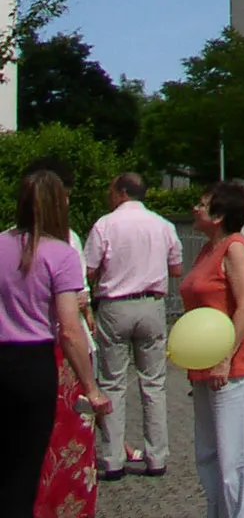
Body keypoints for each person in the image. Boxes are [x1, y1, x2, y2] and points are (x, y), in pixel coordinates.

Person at [21, 168, 110, 518]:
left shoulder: (1, 243)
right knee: (63, 446)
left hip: (8, 355)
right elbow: (69, 325)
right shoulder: (64, 248)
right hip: (53, 360)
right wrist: (92, 387)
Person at [85, 171, 183, 480]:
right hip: (152, 304)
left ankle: (113, 460)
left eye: (112, 190)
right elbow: (177, 269)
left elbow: (88, 270)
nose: (109, 195)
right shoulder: (163, 225)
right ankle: (157, 457)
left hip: (115, 305)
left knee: (113, 382)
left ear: (122, 192)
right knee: (153, 383)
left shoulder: (105, 224)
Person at [177, 181, 244, 518]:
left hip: (233, 365)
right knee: (209, 455)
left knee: (235, 461)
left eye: (202, 202)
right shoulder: (207, 250)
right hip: (204, 365)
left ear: (219, 213)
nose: (195, 208)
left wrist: (225, 359)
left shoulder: (235, 249)